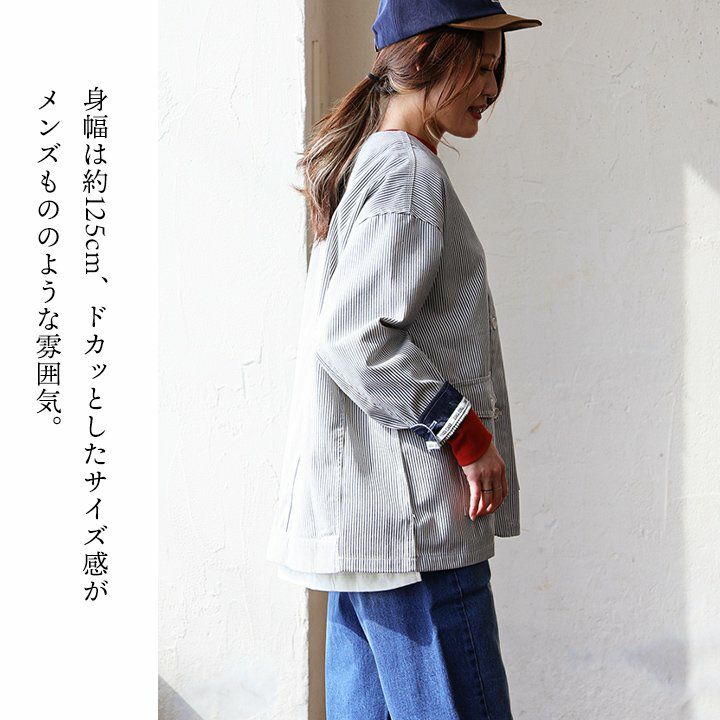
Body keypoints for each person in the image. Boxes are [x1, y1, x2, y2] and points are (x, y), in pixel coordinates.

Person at [266, 1, 542, 717]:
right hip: (416, 536)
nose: (492, 87)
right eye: (480, 65)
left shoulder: (378, 164)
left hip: (375, 539)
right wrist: (467, 434)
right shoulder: (405, 173)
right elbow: (354, 336)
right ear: (425, 58)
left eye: (496, 68)